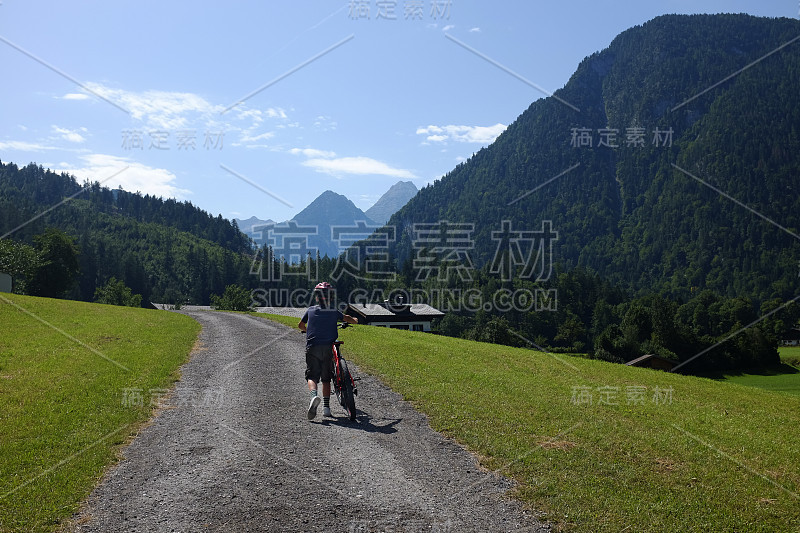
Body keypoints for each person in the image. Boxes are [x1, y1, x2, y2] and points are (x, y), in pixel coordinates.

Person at [298, 282, 358, 419]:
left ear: (317, 297)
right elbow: (347, 318)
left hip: (312, 347)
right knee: (326, 379)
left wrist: (308, 331)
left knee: (312, 376)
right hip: (328, 348)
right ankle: (326, 408)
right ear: (331, 298)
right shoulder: (333, 310)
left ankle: (314, 396)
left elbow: (300, 325)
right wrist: (355, 320)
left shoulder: (310, 310)